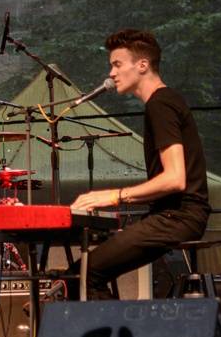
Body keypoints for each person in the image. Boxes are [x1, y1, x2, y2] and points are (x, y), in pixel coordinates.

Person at [70, 29, 210, 299]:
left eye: (117, 64)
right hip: (173, 216)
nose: (111, 73)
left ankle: (117, 329)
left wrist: (114, 196)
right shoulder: (163, 102)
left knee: (83, 276)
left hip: (178, 218)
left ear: (143, 65)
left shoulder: (160, 104)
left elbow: (175, 178)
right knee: (85, 273)